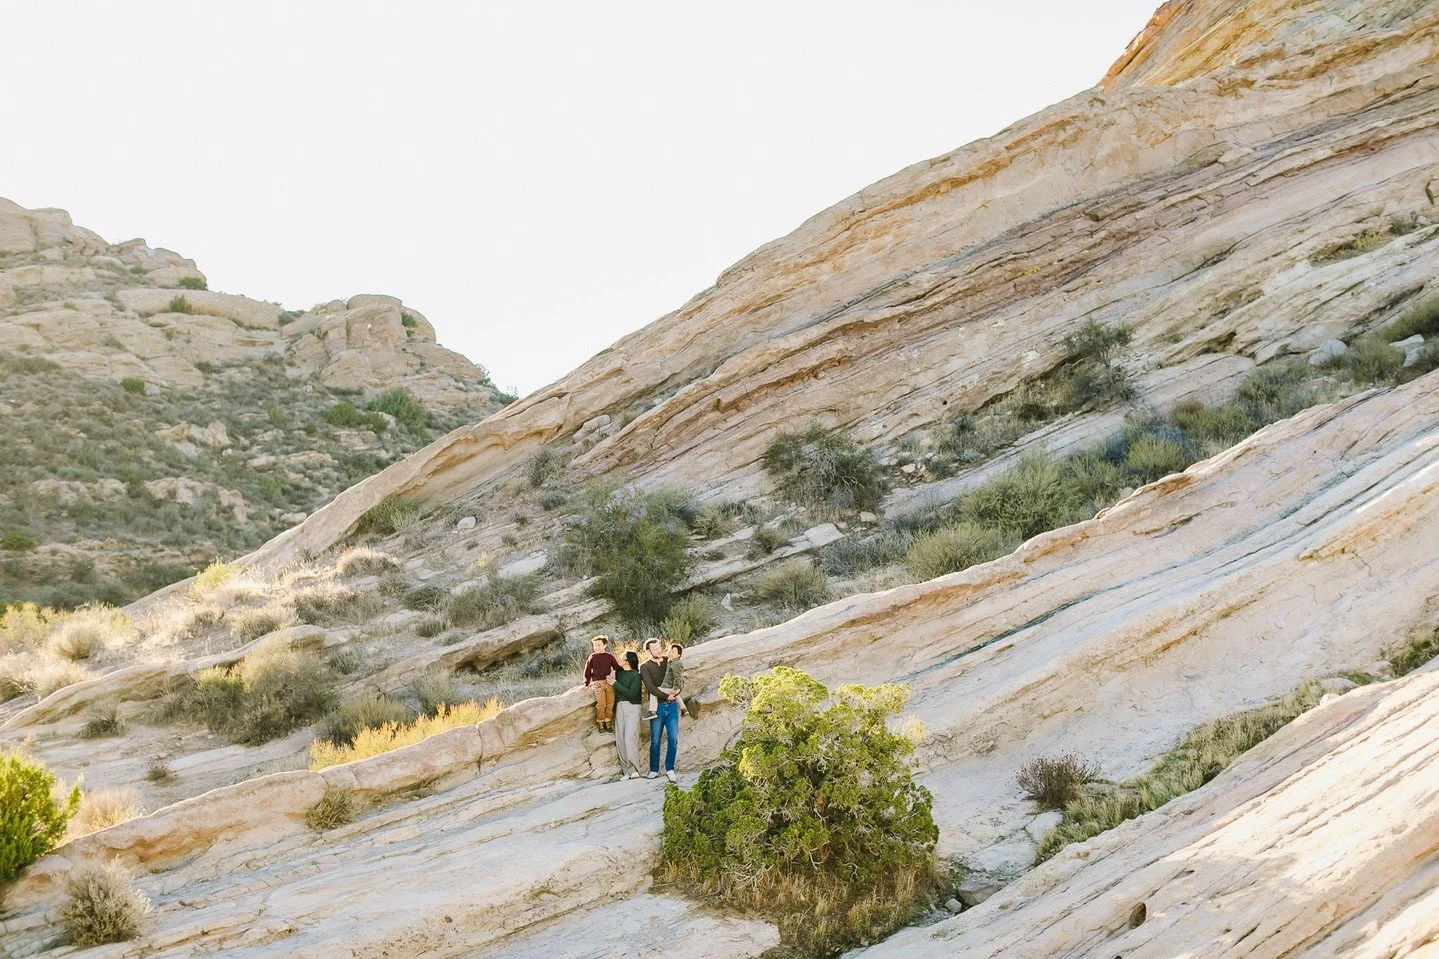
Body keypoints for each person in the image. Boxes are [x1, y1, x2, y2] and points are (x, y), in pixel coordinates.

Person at [640, 638, 679, 782]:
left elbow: (677, 677)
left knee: (673, 739)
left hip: (672, 706)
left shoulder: (668, 661)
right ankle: (654, 770)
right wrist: (666, 696)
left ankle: (670, 769)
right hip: (657, 707)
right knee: (655, 740)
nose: (658, 650)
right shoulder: (645, 666)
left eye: (659, 647)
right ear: (648, 651)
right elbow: (650, 687)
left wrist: (676, 692)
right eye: (654, 648)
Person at [611, 650, 644, 779]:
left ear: (628, 661)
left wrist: (614, 684)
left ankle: (634, 770)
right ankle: (626, 772)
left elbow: (632, 693)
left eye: (622, 657)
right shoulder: (619, 673)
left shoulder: (636, 675)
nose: (620, 659)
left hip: (633, 707)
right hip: (620, 707)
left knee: (629, 738)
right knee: (620, 740)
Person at [583, 635, 618, 732]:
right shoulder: (592, 657)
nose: (596, 647)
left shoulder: (609, 656)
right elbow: (587, 670)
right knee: (601, 704)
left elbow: (616, 667)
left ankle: (608, 722)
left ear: (605, 645)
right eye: (594, 645)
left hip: (608, 683)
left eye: (599, 645)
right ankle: (601, 722)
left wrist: (613, 673)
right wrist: (586, 682)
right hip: (597, 683)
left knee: (610, 703)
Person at [660, 643, 700, 720]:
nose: (670, 653)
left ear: (678, 655)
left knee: (655, 691)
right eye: (669, 651)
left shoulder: (676, 664)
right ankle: (683, 709)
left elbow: (677, 677)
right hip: (674, 686)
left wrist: (674, 689)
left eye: (673, 652)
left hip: (674, 687)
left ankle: (652, 711)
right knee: (676, 696)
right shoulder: (672, 661)